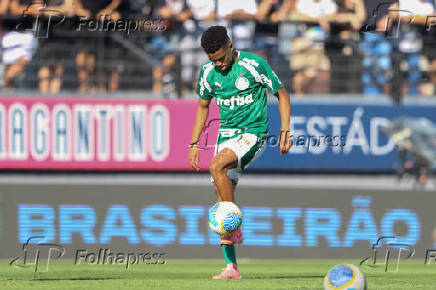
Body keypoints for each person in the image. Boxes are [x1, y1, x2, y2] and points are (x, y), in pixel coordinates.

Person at [188, 26, 292, 280]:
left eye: (222, 58)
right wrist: (193, 143)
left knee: (216, 167)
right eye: (214, 61)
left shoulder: (254, 65)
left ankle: (235, 227)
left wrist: (285, 130)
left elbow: (282, 93)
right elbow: (203, 106)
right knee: (221, 198)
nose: (220, 65)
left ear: (230, 46)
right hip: (226, 135)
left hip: (253, 133)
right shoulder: (208, 73)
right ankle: (231, 268)